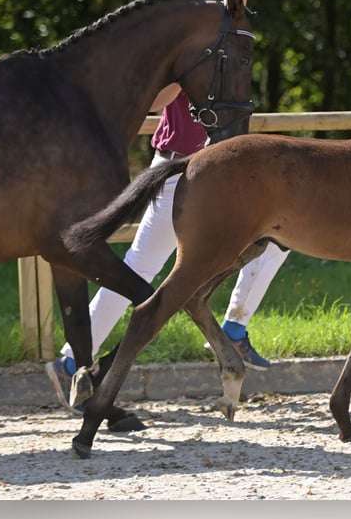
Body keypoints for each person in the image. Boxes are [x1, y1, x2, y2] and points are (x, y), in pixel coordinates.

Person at [46, 83, 290, 414]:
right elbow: (151, 100)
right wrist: (178, 79)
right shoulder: (189, 51)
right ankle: (70, 362)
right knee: (139, 268)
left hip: (226, 177)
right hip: (178, 173)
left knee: (278, 239)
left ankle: (234, 328)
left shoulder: (232, 51)